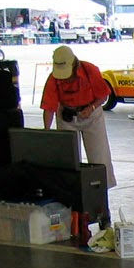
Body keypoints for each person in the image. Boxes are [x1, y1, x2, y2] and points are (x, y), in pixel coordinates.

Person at [40, 46, 116, 188]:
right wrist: (47, 131)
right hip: (66, 116)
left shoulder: (90, 70)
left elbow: (103, 96)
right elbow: (49, 107)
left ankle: (101, 189)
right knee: (68, 159)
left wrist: (90, 108)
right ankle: (72, 190)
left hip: (92, 114)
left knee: (100, 156)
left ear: (74, 65)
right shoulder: (53, 78)